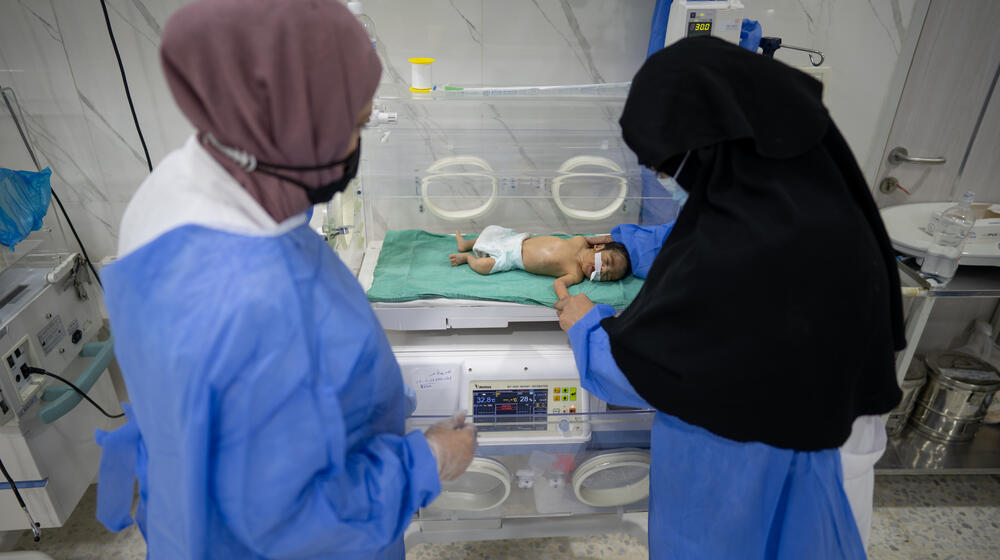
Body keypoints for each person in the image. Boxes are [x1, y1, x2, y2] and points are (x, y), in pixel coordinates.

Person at [92, 1, 477, 558]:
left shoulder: (173, 190)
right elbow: (297, 523)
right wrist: (429, 460)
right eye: (358, 125)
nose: (356, 147)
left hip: (189, 511)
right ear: (298, 134)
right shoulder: (258, 298)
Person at [555, 37, 904, 559]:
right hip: (817, 437)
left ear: (711, 148)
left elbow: (661, 374)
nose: (664, 178)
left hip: (747, 468)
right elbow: (704, 233)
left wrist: (587, 329)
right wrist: (629, 248)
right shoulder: (802, 192)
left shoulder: (760, 252)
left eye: (668, 166)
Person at [449, 226, 631, 298]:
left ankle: (468, 258)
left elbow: (559, 283)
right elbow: (598, 239)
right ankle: (467, 244)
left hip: (513, 259)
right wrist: (607, 239)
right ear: (599, 248)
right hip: (519, 241)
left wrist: (566, 299)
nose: (603, 269)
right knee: (493, 235)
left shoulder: (575, 274)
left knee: (484, 267)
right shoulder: (582, 241)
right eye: (607, 261)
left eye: (607, 276)